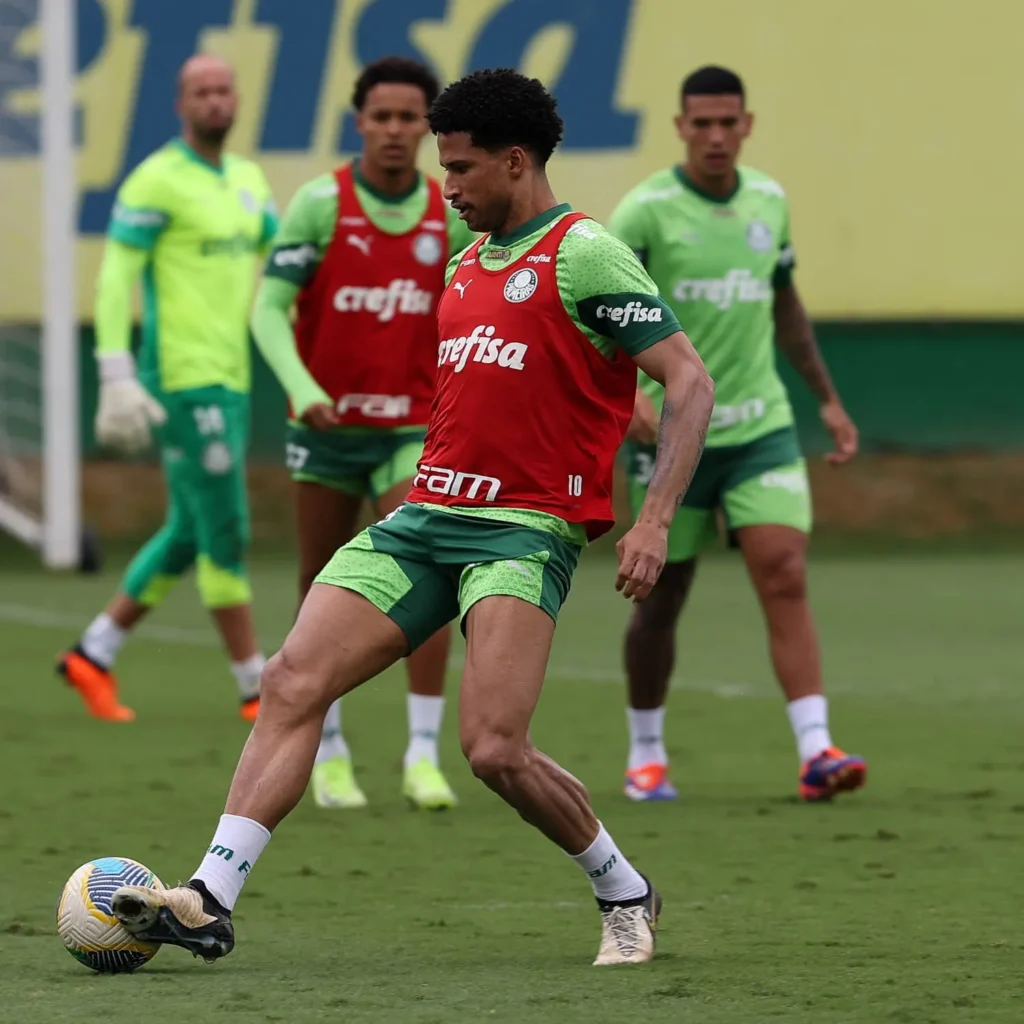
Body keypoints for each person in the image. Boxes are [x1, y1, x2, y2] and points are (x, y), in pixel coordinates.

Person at [108, 67, 714, 967]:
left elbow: (688, 380)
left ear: (516, 162)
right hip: (425, 517)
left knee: (495, 750)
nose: (449, 187)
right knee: (290, 680)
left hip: (522, 529)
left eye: (463, 169)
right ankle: (209, 895)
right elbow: (536, 379)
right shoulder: (468, 261)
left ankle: (624, 888)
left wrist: (655, 515)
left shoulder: (585, 251)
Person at [608, 65, 866, 802]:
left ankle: (817, 750)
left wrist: (828, 400)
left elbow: (785, 304)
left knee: (784, 570)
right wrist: (630, 409)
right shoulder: (644, 214)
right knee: (662, 597)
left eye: (729, 123)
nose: (716, 136)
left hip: (762, 427)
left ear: (747, 125)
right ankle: (646, 753)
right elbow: (597, 322)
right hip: (673, 441)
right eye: (702, 124)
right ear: (681, 128)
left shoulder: (770, 202)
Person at [250, 57, 475, 811]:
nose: (395, 130)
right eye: (381, 116)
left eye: (410, 117)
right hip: (325, 433)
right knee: (321, 583)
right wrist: (304, 388)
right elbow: (266, 309)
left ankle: (421, 752)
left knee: (429, 571)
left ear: (429, 128)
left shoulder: (446, 215)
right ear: (360, 123)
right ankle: (330, 749)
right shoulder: (320, 205)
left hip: (410, 430)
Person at [57, 56, 277, 723]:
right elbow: (113, 275)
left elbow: (281, 258)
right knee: (227, 530)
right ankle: (254, 687)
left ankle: (91, 655)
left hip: (233, 376)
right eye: (200, 91)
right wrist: (116, 369)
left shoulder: (247, 179)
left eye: (222, 88)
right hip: (180, 380)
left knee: (189, 529)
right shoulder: (155, 180)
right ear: (181, 104)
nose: (214, 100)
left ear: (235, 98)